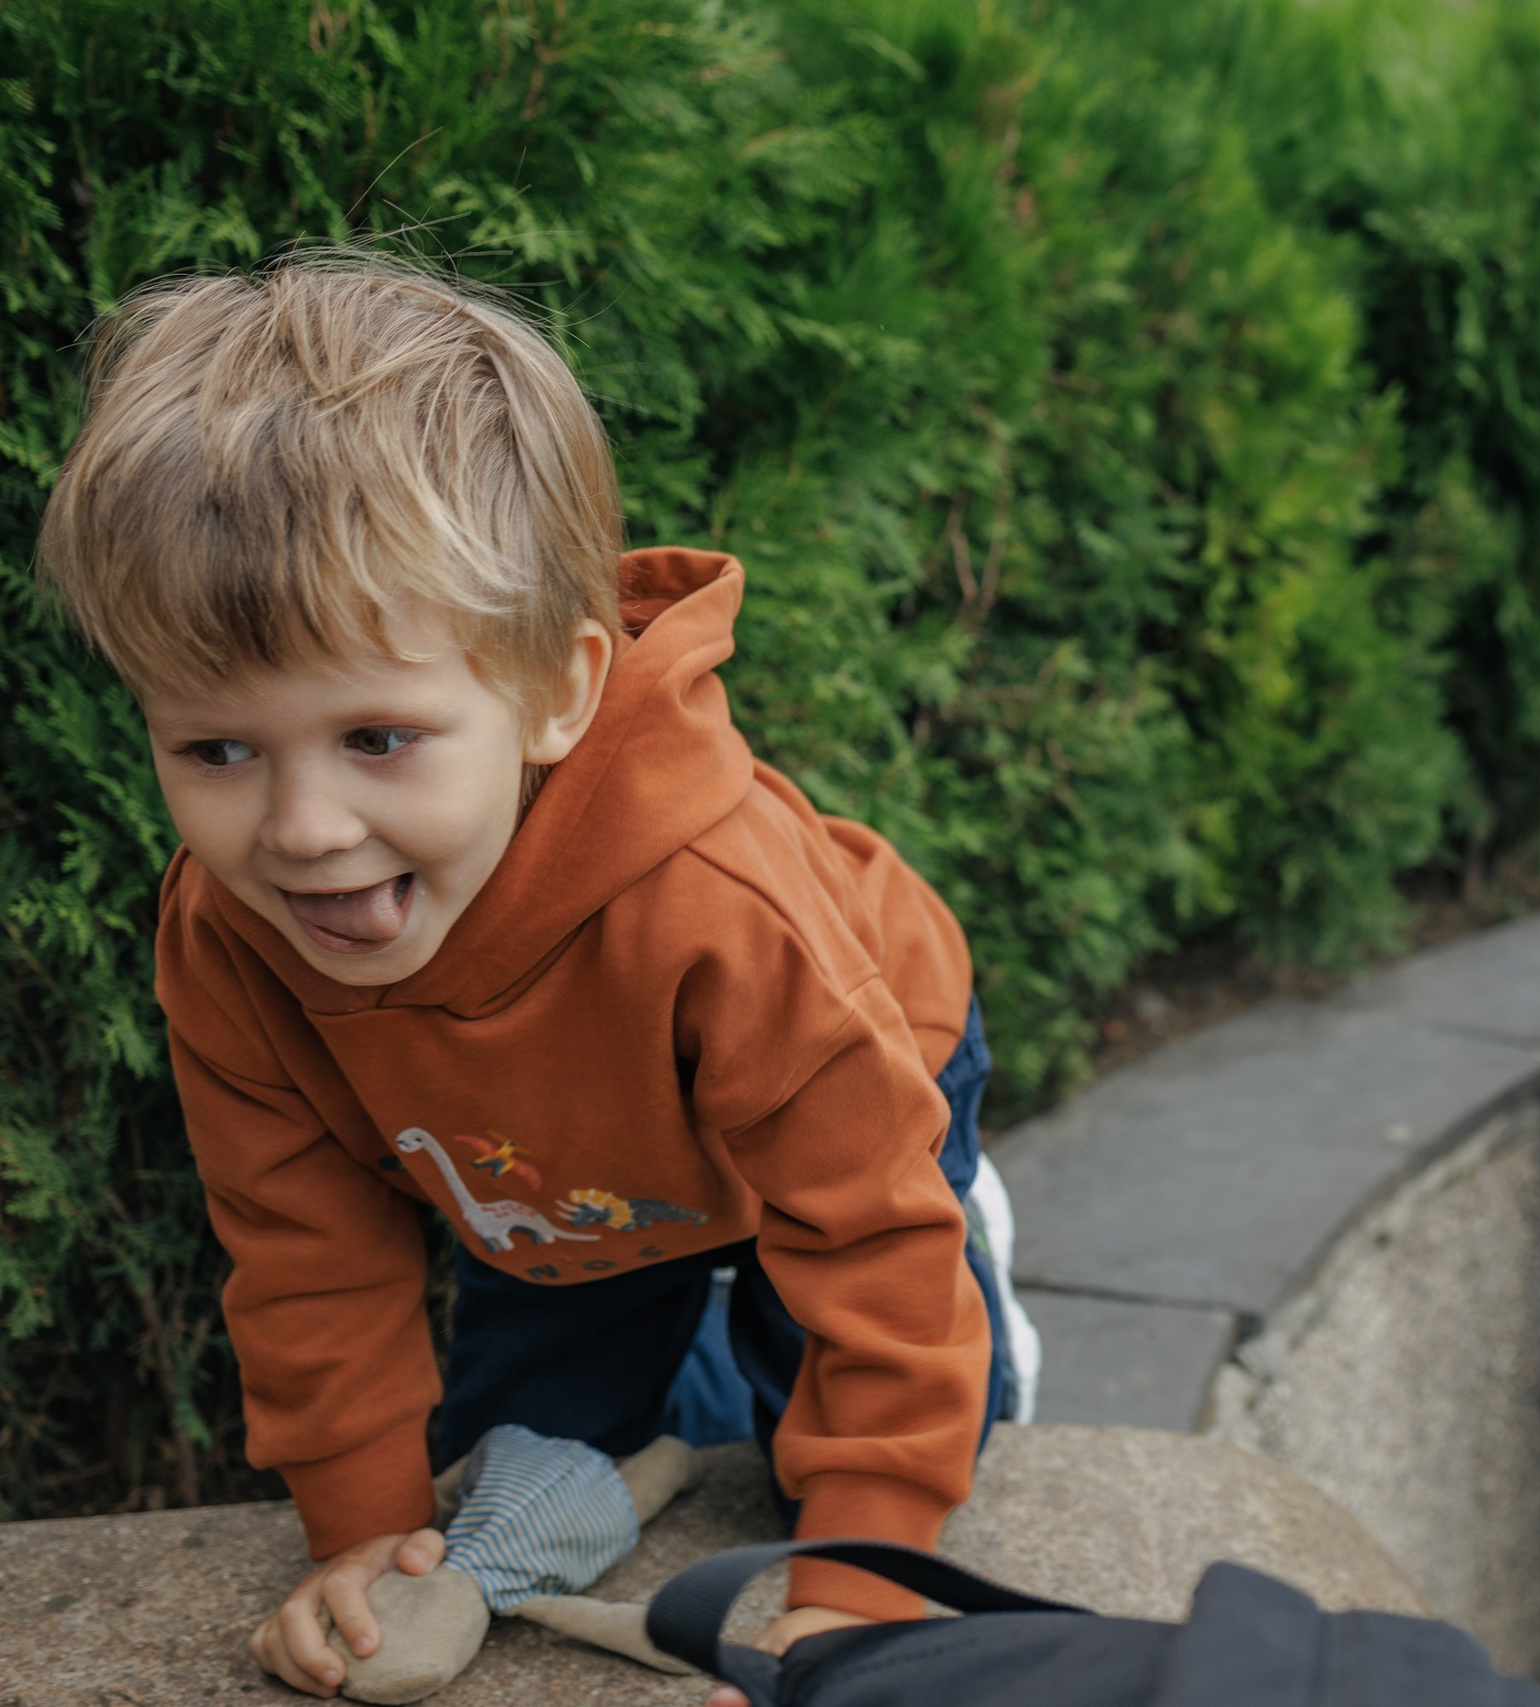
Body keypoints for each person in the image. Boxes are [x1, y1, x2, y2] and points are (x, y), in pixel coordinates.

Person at [34, 258, 1019, 1700]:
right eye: (218, 749)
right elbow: (305, 1250)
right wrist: (366, 1541)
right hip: (559, 1185)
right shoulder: (226, 937)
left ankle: (942, 1249)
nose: (302, 831)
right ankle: (681, 1339)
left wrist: (864, 1581)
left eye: (378, 736)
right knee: (521, 1462)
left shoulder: (719, 906)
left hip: (859, 1078)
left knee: (861, 1416)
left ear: (557, 692)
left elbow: (867, 1244)